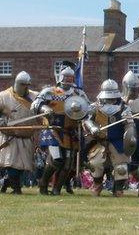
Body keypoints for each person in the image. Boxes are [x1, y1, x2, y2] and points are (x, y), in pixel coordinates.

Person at [32, 66, 89, 195]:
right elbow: (35, 104)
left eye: (71, 77)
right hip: (53, 129)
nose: (68, 79)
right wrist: (45, 108)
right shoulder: (50, 92)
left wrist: (85, 117)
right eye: (66, 77)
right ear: (61, 77)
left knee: (68, 164)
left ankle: (57, 188)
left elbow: (88, 109)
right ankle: (43, 183)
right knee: (56, 159)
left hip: (70, 131)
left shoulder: (79, 94)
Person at [0, 71, 39, 194]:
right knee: (12, 164)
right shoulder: (3, 96)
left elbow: (44, 107)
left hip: (26, 136)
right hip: (9, 136)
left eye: (27, 85)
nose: (25, 87)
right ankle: (16, 189)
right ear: (17, 83)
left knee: (22, 166)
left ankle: (7, 183)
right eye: (23, 84)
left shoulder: (35, 97)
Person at [83, 79, 136, 197]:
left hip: (117, 141)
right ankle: (97, 185)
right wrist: (92, 128)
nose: (110, 99)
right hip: (99, 141)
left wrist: (129, 133)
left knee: (121, 167)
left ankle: (118, 189)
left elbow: (130, 124)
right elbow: (87, 120)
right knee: (95, 164)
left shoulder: (123, 107)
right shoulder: (95, 106)